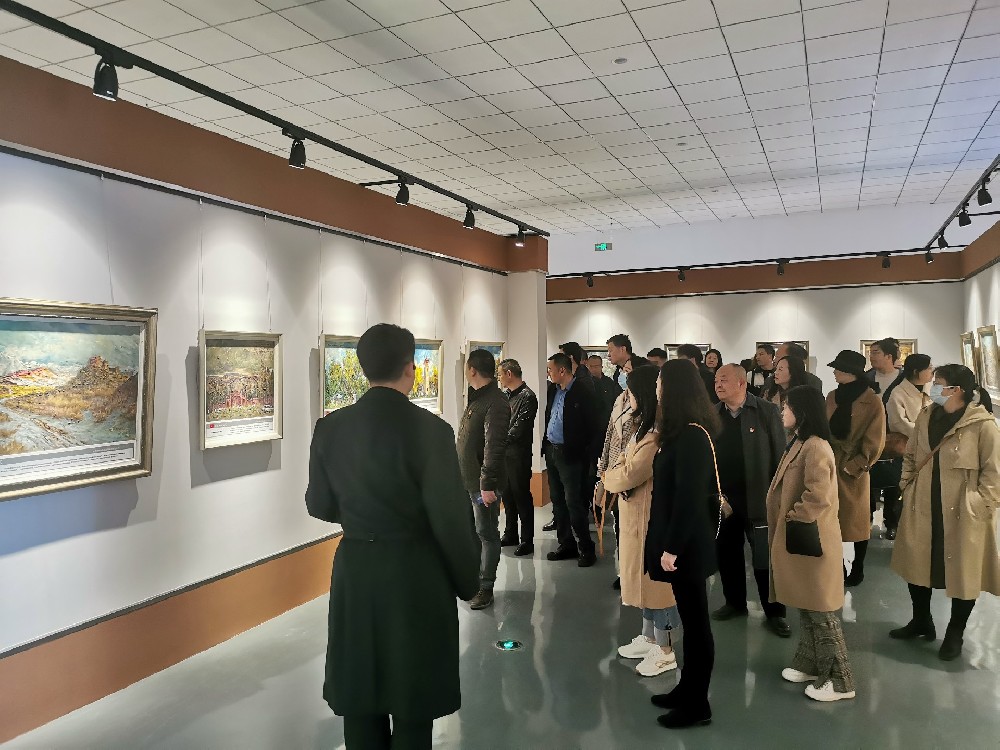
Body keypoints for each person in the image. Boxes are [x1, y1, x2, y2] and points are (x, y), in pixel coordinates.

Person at [305, 324, 479, 750]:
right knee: (412, 698)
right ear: (410, 367)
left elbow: (319, 505)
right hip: (414, 572)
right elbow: (450, 518)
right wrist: (468, 581)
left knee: (360, 695)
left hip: (356, 571)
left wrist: (360, 518)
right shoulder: (431, 430)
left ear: (363, 368)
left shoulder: (330, 428)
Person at [889, 365, 1000, 661]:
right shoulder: (927, 416)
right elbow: (911, 454)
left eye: (939, 383)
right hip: (923, 503)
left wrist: (979, 505)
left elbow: (994, 473)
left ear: (957, 390)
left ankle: (955, 633)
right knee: (917, 563)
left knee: (964, 572)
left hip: (963, 511)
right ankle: (921, 620)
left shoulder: (982, 424)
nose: (933, 388)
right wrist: (906, 486)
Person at [767, 386, 855, 703]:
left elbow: (818, 496)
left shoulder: (816, 446)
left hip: (811, 539)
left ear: (802, 411)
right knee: (807, 604)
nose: (782, 411)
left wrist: (793, 518)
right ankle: (809, 662)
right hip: (801, 539)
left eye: (786, 406)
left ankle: (840, 681)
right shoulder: (801, 442)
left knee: (821, 610)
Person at [646, 360, 721, 729]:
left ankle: (697, 704)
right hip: (680, 542)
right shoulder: (678, 433)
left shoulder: (692, 435)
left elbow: (689, 498)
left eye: (660, 381)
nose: (657, 387)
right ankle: (686, 689)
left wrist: (672, 547)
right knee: (691, 622)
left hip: (687, 546)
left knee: (696, 625)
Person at [605, 366, 680, 677]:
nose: (628, 398)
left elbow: (630, 472)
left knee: (657, 587)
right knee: (643, 583)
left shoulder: (657, 434)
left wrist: (609, 478)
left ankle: (665, 650)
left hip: (649, 519)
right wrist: (616, 474)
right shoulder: (643, 428)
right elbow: (623, 461)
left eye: (632, 392)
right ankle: (649, 638)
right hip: (635, 516)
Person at [710, 364, 789, 637]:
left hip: (759, 497)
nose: (718, 385)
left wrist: (778, 497)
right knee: (727, 554)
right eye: (716, 380)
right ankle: (734, 603)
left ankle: (775, 612)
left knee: (765, 558)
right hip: (724, 500)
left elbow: (780, 455)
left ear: (742, 383)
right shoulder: (713, 414)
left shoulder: (766, 411)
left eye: (724, 380)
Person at [825, 350, 886, 587]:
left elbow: (875, 440)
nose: (834, 372)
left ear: (851, 372)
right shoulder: (832, 396)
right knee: (829, 519)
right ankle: (837, 565)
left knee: (857, 522)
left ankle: (858, 567)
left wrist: (857, 465)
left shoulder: (872, 400)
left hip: (852, 468)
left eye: (838, 369)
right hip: (829, 463)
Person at [457, 349, 510, 610]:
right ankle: (475, 580)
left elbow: (494, 446)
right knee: (475, 532)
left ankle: (485, 587)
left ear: (472, 370)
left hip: (483, 486)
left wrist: (487, 484)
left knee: (487, 533)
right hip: (470, 482)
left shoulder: (496, 402)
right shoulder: (478, 398)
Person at [599, 349, 650, 590]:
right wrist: (603, 469)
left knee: (636, 528)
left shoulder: (648, 404)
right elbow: (610, 434)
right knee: (620, 525)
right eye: (624, 372)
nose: (625, 376)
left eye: (630, 372)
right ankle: (624, 570)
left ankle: (640, 571)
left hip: (634, 471)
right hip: (615, 469)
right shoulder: (620, 399)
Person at [542, 352, 599, 567]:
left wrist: (586, 455)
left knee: (574, 503)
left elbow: (593, 427)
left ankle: (586, 548)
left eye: (550, 369)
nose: (548, 373)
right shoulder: (553, 390)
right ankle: (566, 544)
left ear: (562, 370)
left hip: (572, 456)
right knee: (557, 502)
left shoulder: (583, 392)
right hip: (552, 451)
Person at [879, 354, 932, 540]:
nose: (932, 371)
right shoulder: (898, 393)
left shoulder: (928, 390)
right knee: (897, 488)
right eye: (929, 368)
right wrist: (924, 433)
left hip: (925, 448)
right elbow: (899, 423)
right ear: (917, 371)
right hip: (905, 447)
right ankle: (893, 523)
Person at [498, 358, 538, 557]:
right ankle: (510, 533)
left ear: (509, 374)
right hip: (504, 454)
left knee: (521, 496)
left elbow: (519, 429)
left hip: (518, 455)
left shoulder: (528, 397)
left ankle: (527, 540)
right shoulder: (506, 395)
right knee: (507, 496)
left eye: (500, 374)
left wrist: (499, 439)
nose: (499, 378)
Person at [588, 353, 623, 431]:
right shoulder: (584, 383)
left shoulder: (609, 382)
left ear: (601, 367)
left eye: (596, 366)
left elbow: (616, 401)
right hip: (590, 424)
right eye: (591, 366)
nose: (593, 369)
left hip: (607, 423)